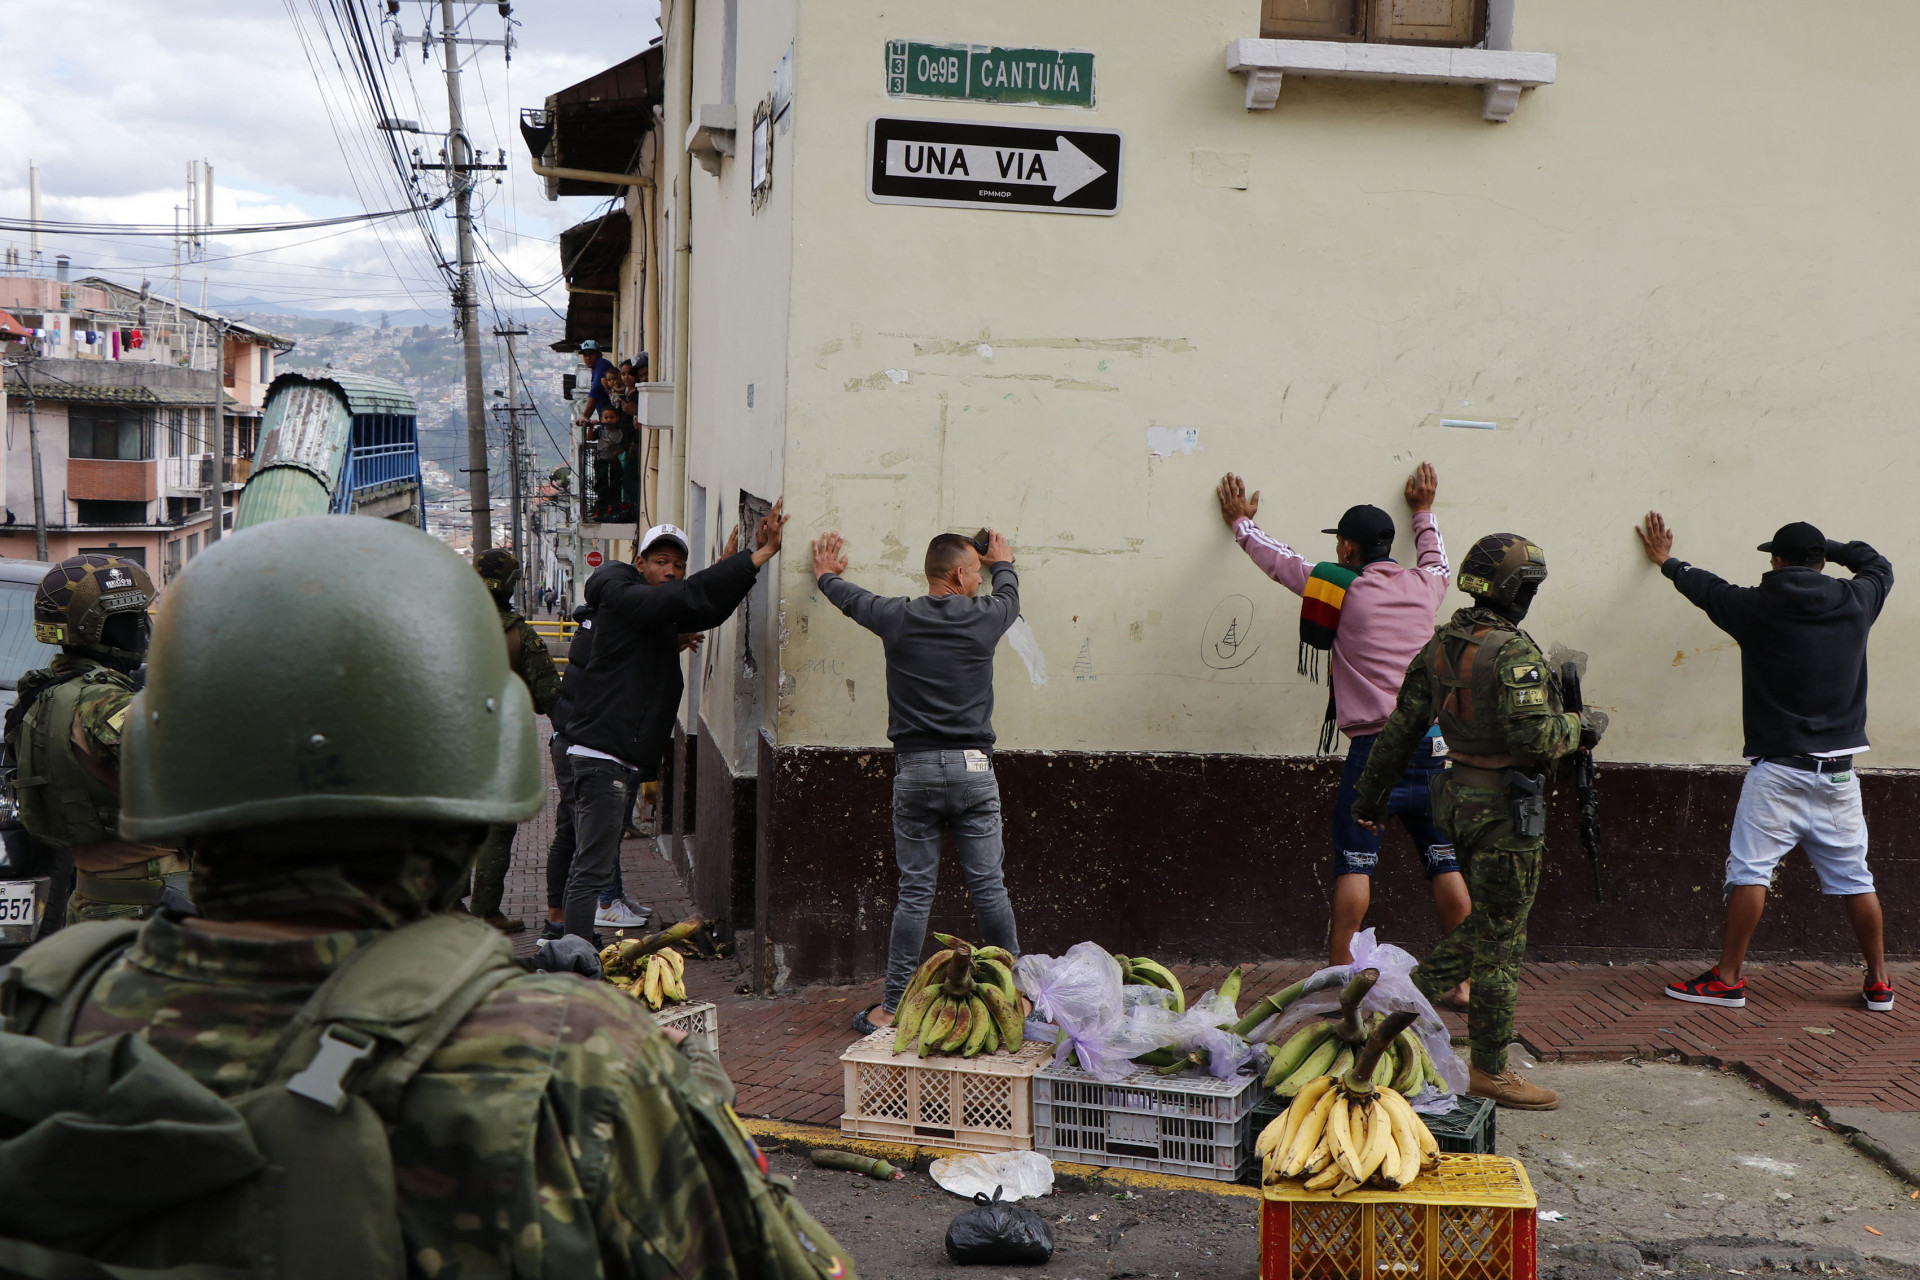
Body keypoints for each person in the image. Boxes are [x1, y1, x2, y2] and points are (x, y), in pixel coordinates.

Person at [0, 515, 856, 1277]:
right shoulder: (578, 1064)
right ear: (470, 787)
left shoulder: (50, 1008)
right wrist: (694, 1090)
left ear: (169, 768)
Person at [1350, 533, 1600, 1110]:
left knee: (1490, 923)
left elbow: (1399, 731)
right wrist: (1583, 728)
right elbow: (1534, 735)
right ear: (1516, 591)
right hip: (1505, 812)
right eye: (1530, 587)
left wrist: (1369, 801)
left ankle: (1394, 1001)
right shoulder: (1511, 652)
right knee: (1502, 945)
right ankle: (1489, 1069)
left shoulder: (1441, 645)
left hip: (1457, 800)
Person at [1217, 465, 1465, 992]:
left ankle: (1339, 979)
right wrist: (1423, 509)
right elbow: (1438, 556)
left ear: (1348, 549)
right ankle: (1464, 984)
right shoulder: (1429, 586)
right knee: (1444, 860)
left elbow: (1281, 564)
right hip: (1435, 749)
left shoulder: (1340, 590)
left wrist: (1241, 524)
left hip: (1376, 751)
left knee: (1356, 863)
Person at [1637, 515, 1894, 1012]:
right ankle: (1879, 981)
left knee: (1751, 872)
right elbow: (1876, 563)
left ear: (1775, 561)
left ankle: (1729, 978)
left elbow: (1705, 587)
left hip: (1778, 772)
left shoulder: (1753, 606)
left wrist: (1667, 562)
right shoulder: (1859, 601)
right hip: (1841, 773)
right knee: (1856, 878)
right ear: (1821, 563)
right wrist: (1829, 548)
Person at [812, 529, 1023, 1037]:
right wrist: (1006, 563)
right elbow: (1011, 598)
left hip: (917, 771)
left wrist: (823, 575)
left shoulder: (897, 617)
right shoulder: (986, 617)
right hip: (975, 770)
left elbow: (851, 599)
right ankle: (1016, 997)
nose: (980, 577)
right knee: (989, 888)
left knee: (915, 894)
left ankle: (889, 1010)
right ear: (957, 574)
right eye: (975, 569)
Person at [563, 510, 787, 941]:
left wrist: (730, 570)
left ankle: (577, 953)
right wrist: (758, 555)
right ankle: (574, 960)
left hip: (615, 756)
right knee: (591, 868)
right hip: (601, 757)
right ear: (640, 562)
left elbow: (703, 611)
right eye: (660, 561)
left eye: (678, 565)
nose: (670, 570)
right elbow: (683, 600)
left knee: (593, 861)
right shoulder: (624, 596)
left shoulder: (651, 610)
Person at [2, 554, 185, 923]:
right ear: (101, 628)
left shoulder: (36, 697)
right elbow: (194, 782)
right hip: (147, 909)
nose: (143, 630)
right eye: (133, 619)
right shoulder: (103, 706)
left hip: (93, 897)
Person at [538, 599, 669, 940]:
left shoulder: (591, 627)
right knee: (587, 839)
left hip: (569, 738)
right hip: (586, 746)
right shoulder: (609, 631)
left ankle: (561, 924)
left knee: (577, 834)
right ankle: (592, 916)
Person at [463, 548, 561, 933]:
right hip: (499, 747)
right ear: (508, 586)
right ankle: (485, 911)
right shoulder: (519, 634)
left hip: (450, 746)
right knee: (496, 831)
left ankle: (452, 905)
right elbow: (548, 698)